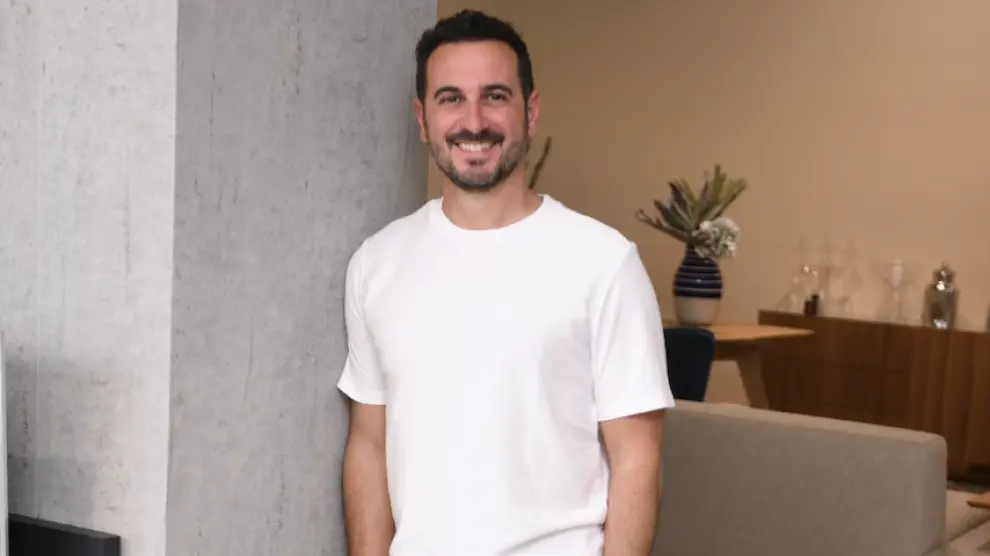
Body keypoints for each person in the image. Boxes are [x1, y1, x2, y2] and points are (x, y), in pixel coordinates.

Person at [338, 9, 674, 556]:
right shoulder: (376, 264)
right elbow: (369, 447)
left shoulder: (603, 262)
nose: (474, 122)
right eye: (451, 98)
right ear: (423, 118)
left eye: (494, 96)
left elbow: (638, 458)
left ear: (530, 111)